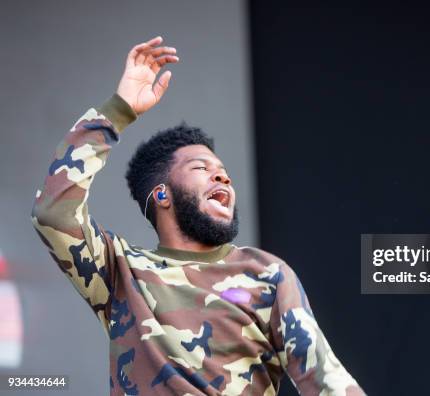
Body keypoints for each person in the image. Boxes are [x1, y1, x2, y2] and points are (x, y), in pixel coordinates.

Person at [31, 36, 365, 396]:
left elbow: (327, 381)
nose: (222, 176)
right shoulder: (120, 272)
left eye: (223, 171)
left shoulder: (267, 274)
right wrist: (118, 110)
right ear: (161, 195)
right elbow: (54, 212)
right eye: (201, 168)